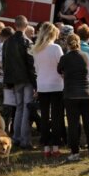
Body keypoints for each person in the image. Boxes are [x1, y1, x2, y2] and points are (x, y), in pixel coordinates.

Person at [58, 34, 89, 161]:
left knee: (73, 124)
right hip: (87, 93)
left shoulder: (64, 58)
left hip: (71, 94)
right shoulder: (85, 56)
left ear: (67, 44)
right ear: (78, 43)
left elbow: (59, 70)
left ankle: (75, 153)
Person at [2, 15, 37, 150]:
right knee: (26, 109)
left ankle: (16, 137)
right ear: (26, 25)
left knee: (19, 108)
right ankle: (25, 141)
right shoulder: (27, 42)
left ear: (15, 24)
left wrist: (8, 80)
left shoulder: (7, 42)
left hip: (14, 80)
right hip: (26, 79)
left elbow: (4, 62)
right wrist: (35, 83)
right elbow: (31, 65)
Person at [31, 25, 65, 158]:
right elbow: (61, 67)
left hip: (42, 85)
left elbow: (37, 69)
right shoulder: (56, 48)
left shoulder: (36, 49)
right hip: (56, 85)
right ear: (53, 34)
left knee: (44, 117)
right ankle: (55, 146)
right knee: (57, 117)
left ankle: (46, 147)